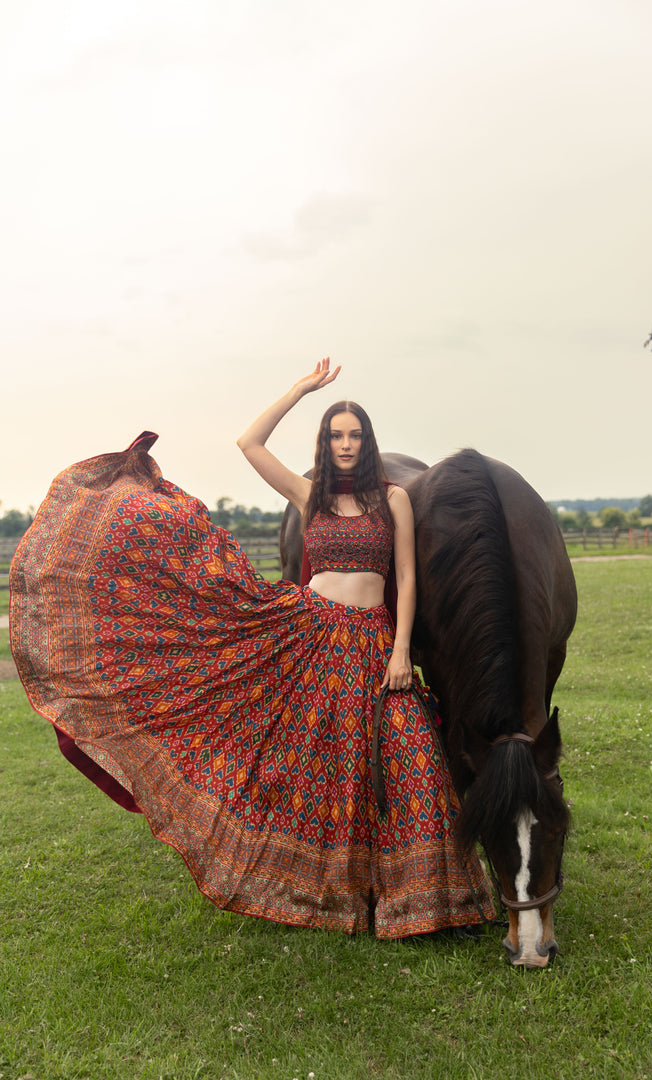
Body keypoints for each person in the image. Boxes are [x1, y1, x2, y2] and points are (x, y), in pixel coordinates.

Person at [10, 359, 496, 937]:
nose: (345, 444)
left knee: (412, 755)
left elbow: (408, 579)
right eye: (336, 434)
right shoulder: (309, 492)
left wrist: (400, 650)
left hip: (371, 640)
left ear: (367, 442)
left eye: (354, 435)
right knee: (311, 765)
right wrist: (300, 389)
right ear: (326, 441)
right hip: (309, 633)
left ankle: (434, 899)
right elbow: (249, 442)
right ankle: (320, 892)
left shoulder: (392, 500)